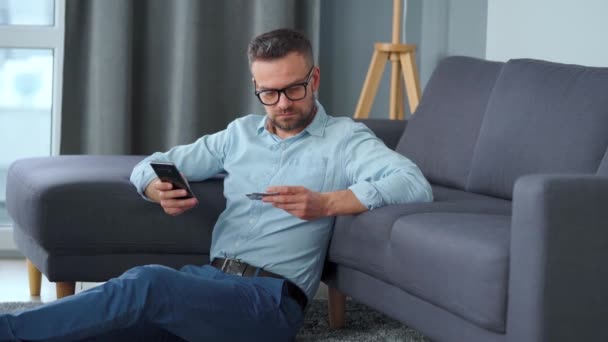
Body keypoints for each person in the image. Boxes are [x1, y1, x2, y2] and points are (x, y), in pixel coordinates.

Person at [0, 28, 432, 342]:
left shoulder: (345, 139)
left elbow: (412, 183)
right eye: (269, 92)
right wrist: (154, 187)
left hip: (268, 302)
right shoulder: (239, 135)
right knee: (104, 325)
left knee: (147, 283)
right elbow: (154, 163)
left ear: (314, 79)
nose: (282, 104)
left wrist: (327, 203)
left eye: (294, 90)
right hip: (208, 283)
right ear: (256, 87)